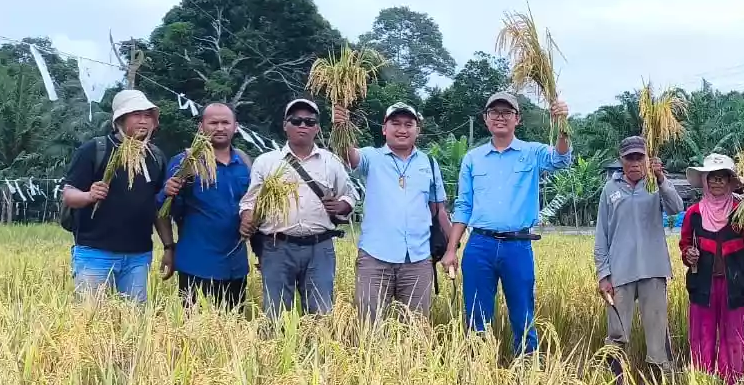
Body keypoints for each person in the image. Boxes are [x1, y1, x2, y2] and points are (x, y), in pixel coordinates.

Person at [440, 91, 573, 356]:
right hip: (480, 245)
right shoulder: (473, 158)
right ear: (485, 119)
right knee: (476, 312)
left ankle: (526, 368)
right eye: (494, 113)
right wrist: (452, 248)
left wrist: (561, 126)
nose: (500, 117)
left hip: (517, 245)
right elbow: (464, 206)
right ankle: (478, 367)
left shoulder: (532, 152)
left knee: (523, 312)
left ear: (517, 119)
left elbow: (560, 160)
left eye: (506, 113)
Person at [333, 101, 450, 325]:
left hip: (418, 259)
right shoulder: (371, 157)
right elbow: (348, 156)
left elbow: (439, 211)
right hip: (375, 259)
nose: (402, 129)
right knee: (369, 328)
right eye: (395, 123)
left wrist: (452, 249)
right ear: (384, 129)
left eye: (409, 124)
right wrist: (342, 127)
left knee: (416, 330)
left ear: (418, 130)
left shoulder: (430, 164)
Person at [239, 99, 358, 319]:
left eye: (309, 121)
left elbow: (350, 196)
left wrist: (341, 205)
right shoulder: (267, 162)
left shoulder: (330, 161)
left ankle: (318, 353)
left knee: (321, 314)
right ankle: (275, 353)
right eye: (296, 120)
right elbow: (250, 201)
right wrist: (247, 218)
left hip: (319, 247)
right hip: (277, 247)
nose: (303, 125)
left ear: (317, 128)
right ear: (285, 125)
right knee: (275, 315)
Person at [60, 89, 174, 303]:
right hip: (95, 253)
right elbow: (69, 194)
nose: (143, 121)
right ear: (120, 120)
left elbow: (158, 209)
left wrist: (168, 247)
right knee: (90, 321)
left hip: (138, 256)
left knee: (134, 322)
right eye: (136, 115)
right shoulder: (95, 150)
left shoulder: (155, 156)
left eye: (148, 115)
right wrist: (89, 196)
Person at [594, 136, 683, 385]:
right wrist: (603, 274)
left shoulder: (655, 185)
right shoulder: (610, 190)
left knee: (657, 332)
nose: (634, 163)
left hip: (653, 270)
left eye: (639, 157)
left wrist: (661, 177)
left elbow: (676, 207)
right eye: (629, 158)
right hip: (620, 272)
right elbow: (602, 235)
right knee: (617, 333)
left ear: (647, 159)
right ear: (621, 160)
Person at [679, 153, 744, 385]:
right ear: (705, 181)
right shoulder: (694, 213)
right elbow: (685, 244)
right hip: (702, 285)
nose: (717, 183)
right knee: (701, 335)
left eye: (722, 178)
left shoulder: (741, 209)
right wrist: (689, 255)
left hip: (735, 284)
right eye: (712, 178)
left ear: (730, 182)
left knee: (735, 335)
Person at [155, 102, 252, 308]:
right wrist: (168, 248)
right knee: (195, 334)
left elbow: (253, 206)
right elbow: (161, 210)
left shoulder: (244, 162)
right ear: (201, 127)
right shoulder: (185, 162)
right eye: (213, 122)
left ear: (236, 127)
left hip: (236, 266)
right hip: (197, 264)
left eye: (225, 122)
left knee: (234, 332)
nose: (219, 128)